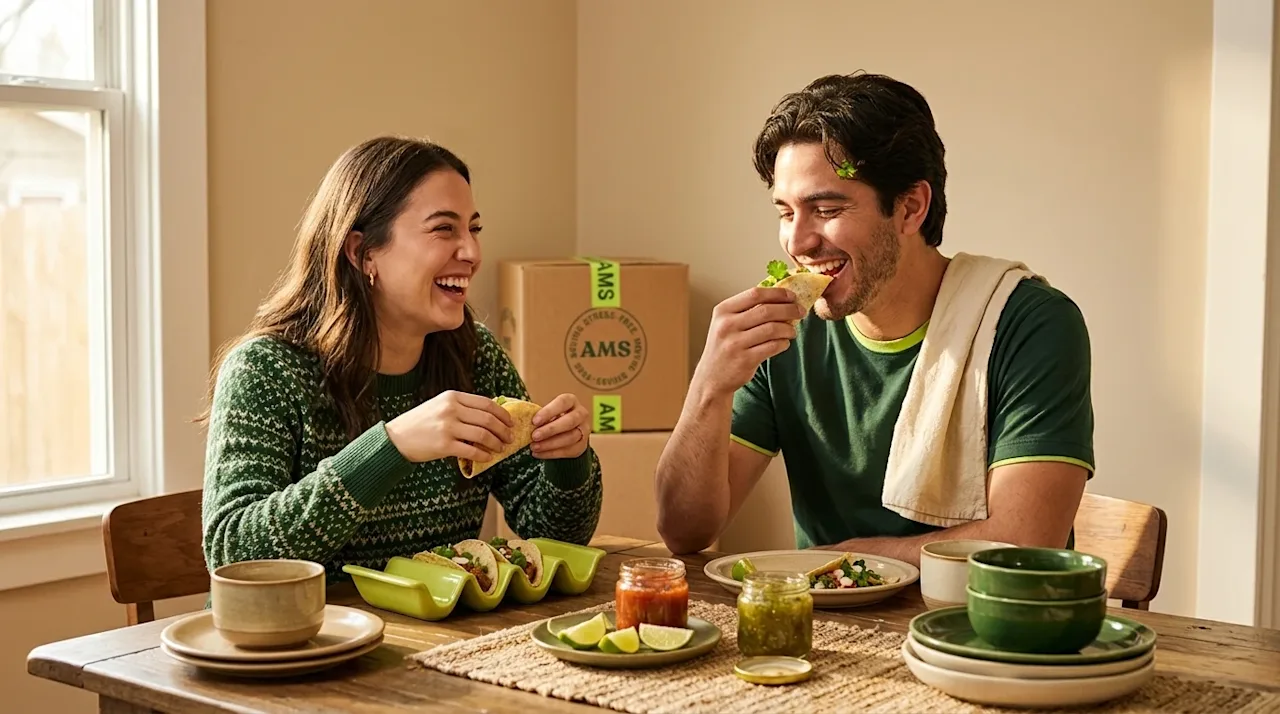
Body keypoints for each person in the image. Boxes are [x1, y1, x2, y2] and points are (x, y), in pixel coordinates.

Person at [654, 73, 1092, 563]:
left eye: (825, 208)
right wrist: (709, 386)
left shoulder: (1028, 324)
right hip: (825, 631)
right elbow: (684, 533)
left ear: (910, 208)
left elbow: (1025, 543)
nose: (797, 243)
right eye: (785, 212)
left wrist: (854, 559)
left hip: (987, 633)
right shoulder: (781, 331)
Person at [200, 136, 603, 578]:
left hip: (437, 640)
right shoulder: (266, 370)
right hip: (302, 641)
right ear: (362, 252)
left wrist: (568, 461)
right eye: (444, 229)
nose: (472, 252)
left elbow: (554, 536)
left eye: (474, 229)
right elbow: (234, 554)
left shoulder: (475, 356)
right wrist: (391, 447)